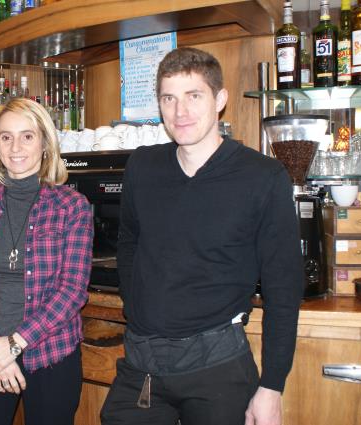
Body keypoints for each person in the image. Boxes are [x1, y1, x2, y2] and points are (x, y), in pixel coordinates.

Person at [100, 47, 304, 425]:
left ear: (220, 100)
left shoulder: (263, 177)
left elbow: (284, 288)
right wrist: (137, 305)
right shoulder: (143, 166)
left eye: (194, 96)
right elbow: (128, 242)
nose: (180, 112)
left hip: (219, 367)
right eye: (169, 98)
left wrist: (272, 386)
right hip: (143, 363)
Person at [0, 97, 93, 425]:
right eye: (6, 137)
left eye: (27, 136)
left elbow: (72, 291)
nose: (16, 146)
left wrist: (15, 344)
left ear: (44, 143)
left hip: (50, 354)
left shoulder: (72, 206)